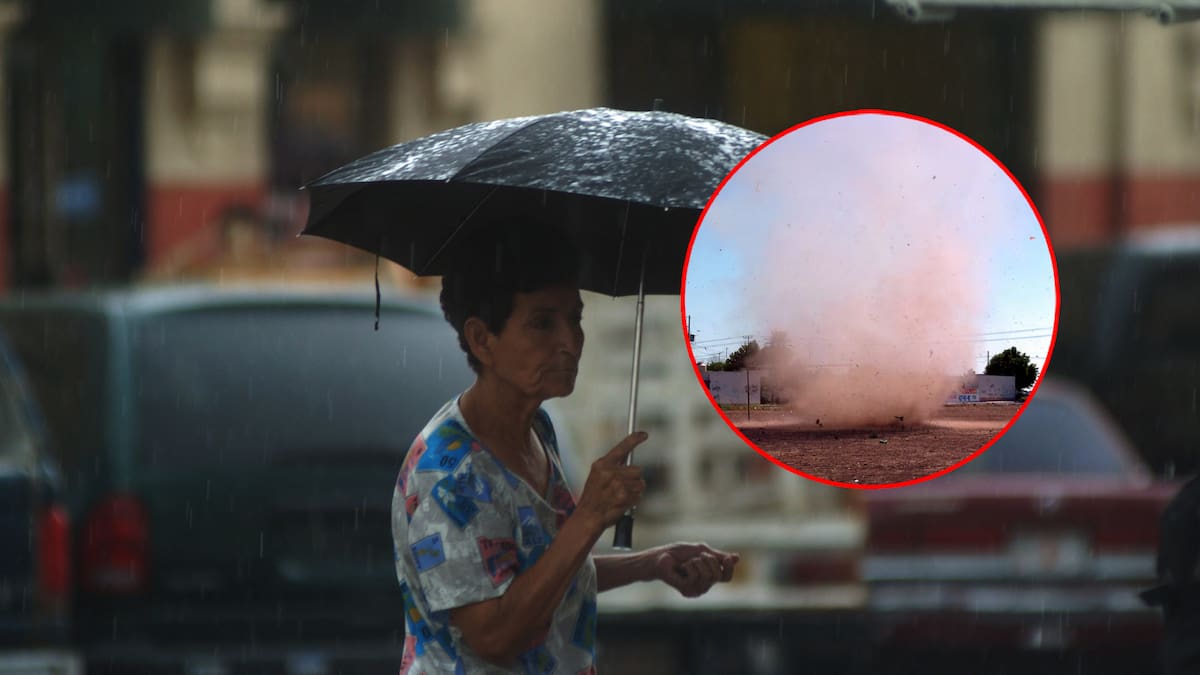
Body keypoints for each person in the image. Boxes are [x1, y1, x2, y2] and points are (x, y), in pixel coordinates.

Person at [391, 219, 738, 673]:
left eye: (574, 319)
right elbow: (494, 635)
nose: (570, 343)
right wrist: (591, 514)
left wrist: (653, 563)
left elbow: (544, 570)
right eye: (542, 324)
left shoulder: (537, 429)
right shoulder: (449, 472)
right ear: (482, 339)